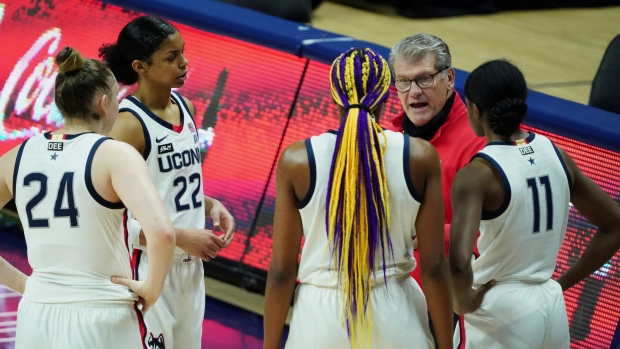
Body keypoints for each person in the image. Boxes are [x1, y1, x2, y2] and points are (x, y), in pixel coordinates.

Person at [264, 47, 453, 349]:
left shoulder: (297, 160)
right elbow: (433, 268)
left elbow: (282, 271)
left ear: (333, 95)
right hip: (396, 314)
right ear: (386, 96)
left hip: (319, 320)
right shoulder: (419, 156)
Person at [0, 46, 176, 347]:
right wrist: (152, 290)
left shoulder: (16, 155)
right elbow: (161, 233)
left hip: (36, 314)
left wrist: (24, 285)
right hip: (102, 313)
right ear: (104, 103)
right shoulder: (116, 154)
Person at [449, 59, 620, 348]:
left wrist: (462, 303)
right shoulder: (556, 153)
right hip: (550, 304)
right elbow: (615, 225)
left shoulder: (477, 175)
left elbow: (457, 263)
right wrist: (559, 285)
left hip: (500, 309)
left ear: (475, 110)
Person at [99, 16, 236, 349]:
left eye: (183, 52)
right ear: (140, 66)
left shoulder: (185, 107)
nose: (184, 62)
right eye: (171, 57)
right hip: (148, 264)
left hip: (192, 269)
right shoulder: (127, 125)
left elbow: (168, 182)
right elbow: (110, 220)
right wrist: (179, 237)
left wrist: (210, 204)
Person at [388, 33, 486, 283]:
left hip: (446, 299)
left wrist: (426, 233)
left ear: (449, 78)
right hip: (387, 293)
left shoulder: (479, 143)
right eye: (403, 81)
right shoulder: (388, 136)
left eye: (424, 79)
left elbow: (491, 230)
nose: (414, 92)